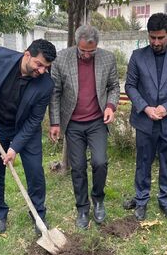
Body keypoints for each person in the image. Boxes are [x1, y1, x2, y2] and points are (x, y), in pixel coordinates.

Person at [0, 39, 56, 235]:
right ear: (27, 55)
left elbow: (34, 121)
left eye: (46, 67)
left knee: (35, 171)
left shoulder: (46, 85)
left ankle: (38, 214)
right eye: (39, 64)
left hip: (26, 129)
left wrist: (14, 148)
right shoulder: (0, 56)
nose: (42, 70)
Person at [123, 13, 167, 221]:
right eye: (152, 37)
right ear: (148, 35)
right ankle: (141, 200)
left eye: (160, 38)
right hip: (145, 121)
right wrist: (145, 108)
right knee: (143, 161)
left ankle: (165, 201)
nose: (156, 42)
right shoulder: (137, 56)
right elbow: (130, 86)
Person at [49, 25, 120, 229]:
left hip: (97, 121)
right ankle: (82, 208)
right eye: (83, 51)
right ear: (76, 44)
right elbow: (54, 93)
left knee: (100, 162)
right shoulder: (62, 59)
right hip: (73, 123)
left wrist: (110, 106)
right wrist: (55, 122)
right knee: (78, 167)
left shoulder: (108, 58)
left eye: (91, 51)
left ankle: (98, 199)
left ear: (96, 46)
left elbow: (114, 86)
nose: (87, 55)